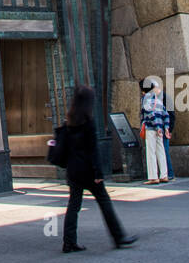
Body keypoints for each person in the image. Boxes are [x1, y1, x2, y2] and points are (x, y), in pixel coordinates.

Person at [57, 85, 137, 253]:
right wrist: (98, 173)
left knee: (73, 206)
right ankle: (118, 237)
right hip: (88, 170)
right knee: (104, 202)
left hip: (73, 171)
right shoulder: (88, 122)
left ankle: (69, 242)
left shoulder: (69, 121)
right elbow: (93, 150)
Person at [139, 78, 171, 184]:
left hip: (151, 128)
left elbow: (150, 114)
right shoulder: (158, 99)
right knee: (160, 152)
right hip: (160, 129)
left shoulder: (145, 99)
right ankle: (164, 175)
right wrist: (165, 127)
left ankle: (153, 177)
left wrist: (157, 127)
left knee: (151, 152)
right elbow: (165, 114)